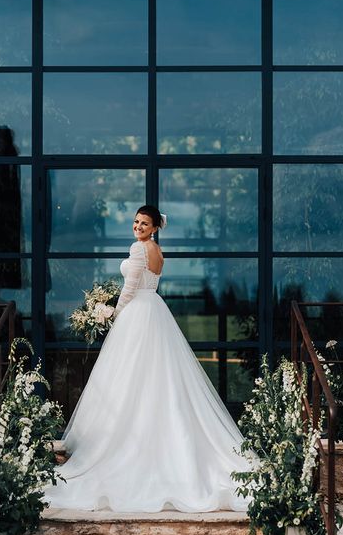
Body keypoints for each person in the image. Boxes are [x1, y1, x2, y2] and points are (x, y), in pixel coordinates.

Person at [43, 205, 254, 512]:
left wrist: (112, 312)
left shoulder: (139, 248)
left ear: (154, 227)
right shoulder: (158, 251)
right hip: (154, 309)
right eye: (136, 222)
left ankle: (128, 446)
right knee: (156, 377)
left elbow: (129, 289)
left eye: (144, 224)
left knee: (130, 378)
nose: (137, 227)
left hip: (137, 314)